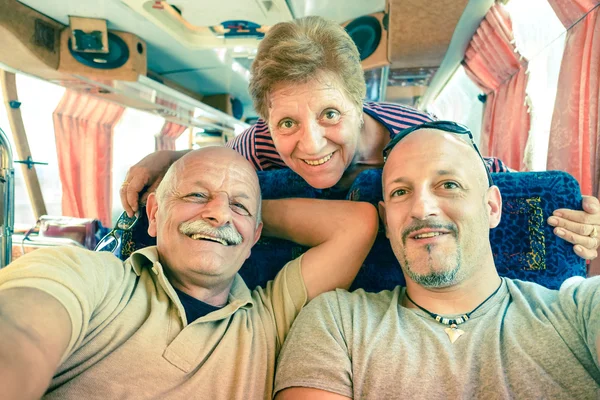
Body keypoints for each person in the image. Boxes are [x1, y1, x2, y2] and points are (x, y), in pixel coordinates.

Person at [120, 16, 600, 262]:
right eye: (287, 122)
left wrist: (584, 221)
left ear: (360, 103)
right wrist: (167, 155)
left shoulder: (419, 135)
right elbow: (216, 161)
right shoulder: (258, 145)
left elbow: (489, 180)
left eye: (330, 114)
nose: (309, 145)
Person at [0, 147, 378, 399]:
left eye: (238, 206)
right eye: (195, 195)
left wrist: (241, 220)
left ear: (256, 238)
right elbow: (21, 333)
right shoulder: (91, 277)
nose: (219, 213)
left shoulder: (273, 317)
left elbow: (357, 224)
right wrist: (231, 209)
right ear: (152, 215)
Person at [273, 121, 600, 399]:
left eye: (448, 185)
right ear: (386, 221)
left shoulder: (577, 310)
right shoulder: (336, 322)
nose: (422, 208)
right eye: (401, 192)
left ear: (492, 208)